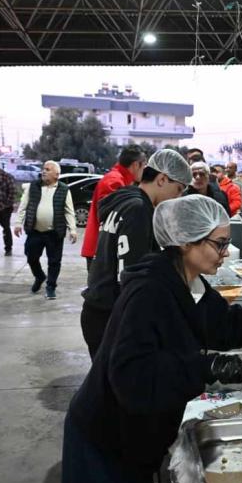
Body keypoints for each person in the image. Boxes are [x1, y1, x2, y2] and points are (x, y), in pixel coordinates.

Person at [59, 195, 242, 483]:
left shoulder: (189, 282)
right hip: (106, 438)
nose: (225, 253)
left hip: (136, 436)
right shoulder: (149, 291)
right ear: (186, 241)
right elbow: (132, 375)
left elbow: (221, 324)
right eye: (219, 244)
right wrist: (205, 366)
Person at [80, 149, 190, 360]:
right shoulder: (138, 209)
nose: (177, 197)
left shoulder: (126, 201)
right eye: (178, 189)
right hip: (111, 317)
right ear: (162, 179)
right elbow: (130, 276)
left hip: (98, 309)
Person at [13, 161, 77, 299]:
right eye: (43, 169)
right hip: (35, 231)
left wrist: (72, 229)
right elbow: (23, 206)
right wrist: (18, 223)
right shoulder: (33, 187)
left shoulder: (64, 189)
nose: (43, 171)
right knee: (31, 256)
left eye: (47, 170)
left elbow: (69, 211)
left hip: (54, 233)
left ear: (56, 175)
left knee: (54, 262)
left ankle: (51, 287)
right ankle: (39, 276)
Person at [81, 145, 147, 269]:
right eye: (144, 165)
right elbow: (112, 218)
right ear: (135, 165)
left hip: (103, 248)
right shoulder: (114, 181)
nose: (144, 169)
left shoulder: (120, 179)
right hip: (101, 249)